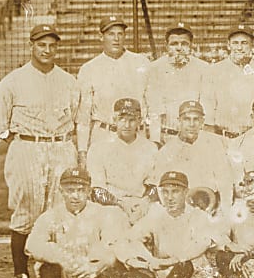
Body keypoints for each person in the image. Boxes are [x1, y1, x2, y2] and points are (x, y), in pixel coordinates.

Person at [0, 22, 80, 278]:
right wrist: (24, 142)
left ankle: (56, 271)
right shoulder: (13, 81)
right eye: (42, 44)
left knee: (59, 210)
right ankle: (21, 273)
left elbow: (75, 118)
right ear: (32, 46)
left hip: (61, 146)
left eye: (52, 45)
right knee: (26, 211)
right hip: (28, 147)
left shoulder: (69, 81)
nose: (47, 50)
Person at [25, 167, 128, 278]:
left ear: (88, 191)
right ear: (61, 191)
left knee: (99, 253)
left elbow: (116, 245)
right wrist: (63, 259)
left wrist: (97, 264)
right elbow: (32, 245)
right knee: (45, 262)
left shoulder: (103, 213)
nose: (75, 195)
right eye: (70, 190)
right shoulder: (51, 216)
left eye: (81, 190)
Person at [115, 171, 219, 278]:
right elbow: (129, 238)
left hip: (190, 275)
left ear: (185, 192)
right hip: (164, 274)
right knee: (124, 263)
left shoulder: (197, 216)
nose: (169, 198)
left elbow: (201, 244)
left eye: (175, 192)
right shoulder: (156, 214)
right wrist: (149, 261)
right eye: (165, 192)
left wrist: (172, 261)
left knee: (183, 265)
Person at [75, 16, 149, 159]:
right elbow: (84, 117)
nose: (116, 39)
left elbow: (151, 106)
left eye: (120, 34)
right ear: (101, 37)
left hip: (135, 136)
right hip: (104, 135)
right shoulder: (89, 68)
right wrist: (82, 151)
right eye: (111, 34)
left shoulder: (141, 63)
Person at [86, 98, 159, 224]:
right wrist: (120, 204)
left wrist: (144, 203)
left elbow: (155, 186)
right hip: (111, 206)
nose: (127, 125)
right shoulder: (98, 148)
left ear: (139, 121)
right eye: (122, 119)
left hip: (141, 205)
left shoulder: (151, 148)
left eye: (132, 120)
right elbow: (97, 190)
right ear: (114, 120)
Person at [152, 100, 234, 213]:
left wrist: (224, 211)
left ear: (202, 122)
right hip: (182, 208)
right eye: (186, 119)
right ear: (178, 121)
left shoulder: (214, 143)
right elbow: (160, 188)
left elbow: (225, 181)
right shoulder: (167, 151)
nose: (191, 124)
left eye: (196, 119)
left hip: (211, 205)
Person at [144, 22, 209, 144]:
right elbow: (154, 109)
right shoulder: (155, 69)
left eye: (184, 44)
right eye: (174, 44)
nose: (179, 48)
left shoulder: (203, 68)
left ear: (191, 45)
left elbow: (206, 107)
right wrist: (155, 141)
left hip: (195, 138)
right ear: (166, 46)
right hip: (167, 137)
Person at [204, 24, 254, 141]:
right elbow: (208, 109)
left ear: (252, 45)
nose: (239, 48)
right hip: (222, 136)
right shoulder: (214, 71)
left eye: (244, 43)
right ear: (228, 45)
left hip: (252, 138)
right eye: (235, 43)